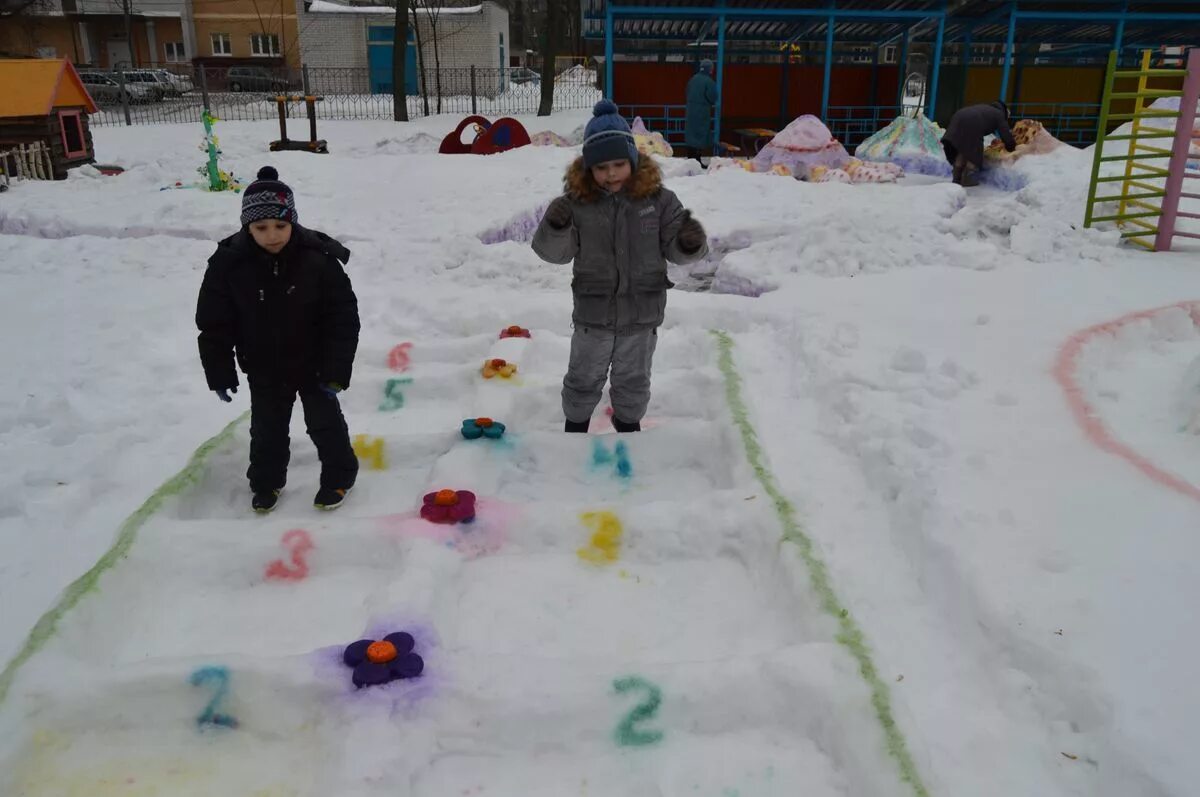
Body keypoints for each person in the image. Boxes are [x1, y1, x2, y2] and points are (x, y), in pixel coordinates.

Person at [532, 100, 709, 434]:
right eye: (600, 167)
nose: (610, 173)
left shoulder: (660, 201)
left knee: (633, 379)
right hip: (593, 316)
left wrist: (688, 242)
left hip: (641, 315)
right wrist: (555, 228)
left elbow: (678, 251)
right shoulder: (578, 204)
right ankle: (576, 426)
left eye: (617, 164)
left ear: (632, 160)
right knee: (583, 376)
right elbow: (555, 254)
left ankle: (629, 430)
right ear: (588, 168)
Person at [196, 166, 360, 514]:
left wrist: (335, 368)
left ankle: (339, 475)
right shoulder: (228, 264)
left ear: (293, 223)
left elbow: (343, 317)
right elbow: (214, 325)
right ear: (246, 226)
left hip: (314, 362)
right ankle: (266, 483)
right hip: (263, 364)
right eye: (261, 228)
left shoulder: (319, 260)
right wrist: (221, 372)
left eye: (281, 226)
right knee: (267, 429)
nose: (272, 235)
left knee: (324, 422)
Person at [942, 100, 1017, 186]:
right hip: (972, 123)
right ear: (1005, 113)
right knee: (974, 153)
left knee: (962, 149)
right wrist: (1012, 147)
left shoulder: (985, 108)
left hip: (958, 117)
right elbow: (1005, 133)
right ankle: (968, 182)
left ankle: (956, 180)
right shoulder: (999, 114)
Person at [685, 59, 718, 168]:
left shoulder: (693, 79)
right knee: (700, 136)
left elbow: (687, 92)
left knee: (691, 134)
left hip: (690, 110)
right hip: (702, 112)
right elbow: (713, 97)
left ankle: (690, 159)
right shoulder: (709, 81)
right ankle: (697, 160)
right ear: (710, 69)